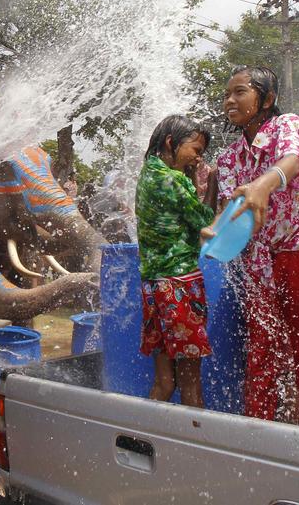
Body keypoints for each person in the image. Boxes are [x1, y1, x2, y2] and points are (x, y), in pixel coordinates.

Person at [210, 66, 299, 426]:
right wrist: (216, 231)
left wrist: (262, 185)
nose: (230, 100)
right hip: (260, 266)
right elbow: (231, 214)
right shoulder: (230, 157)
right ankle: (259, 434)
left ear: (266, 99)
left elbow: (294, 160)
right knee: (263, 357)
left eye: (240, 92)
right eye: (227, 94)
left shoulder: (288, 126)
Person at [136, 115, 214, 407]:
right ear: (171, 142)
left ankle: (143, 442)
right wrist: (214, 179)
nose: (198, 156)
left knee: (166, 382)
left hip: (155, 287)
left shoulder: (149, 174)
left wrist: (192, 174)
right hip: (180, 287)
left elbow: (185, 207)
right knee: (191, 384)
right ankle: (198, 449)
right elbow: (203, 218)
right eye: (195, 149)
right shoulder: (171, 179)